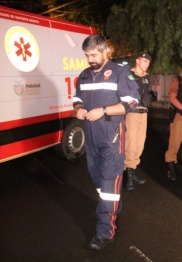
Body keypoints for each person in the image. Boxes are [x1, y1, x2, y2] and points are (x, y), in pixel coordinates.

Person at [73, 34, 140, 250]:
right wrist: (79, 110)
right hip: (91, 138)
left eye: (93, 55)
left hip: (112, 136)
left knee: (109, 183)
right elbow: (77, 100)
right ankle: (112, 207)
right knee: (98, 180)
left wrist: (103, 111)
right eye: (86, 55)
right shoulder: (83, 76)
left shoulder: (120, 73)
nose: (90, 59)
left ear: (105, 52)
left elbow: (131, 102)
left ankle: (105, 231)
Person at [123, 52, 155, 190]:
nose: (146, 64)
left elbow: (147, 93)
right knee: (130, 143)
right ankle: (128, 176)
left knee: (139, 145)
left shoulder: (147, 77)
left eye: (148, 62)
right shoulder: (127, 75)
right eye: (144, 61)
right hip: (132, 113)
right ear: (137, 61)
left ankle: (132, 170)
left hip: (144, 114)